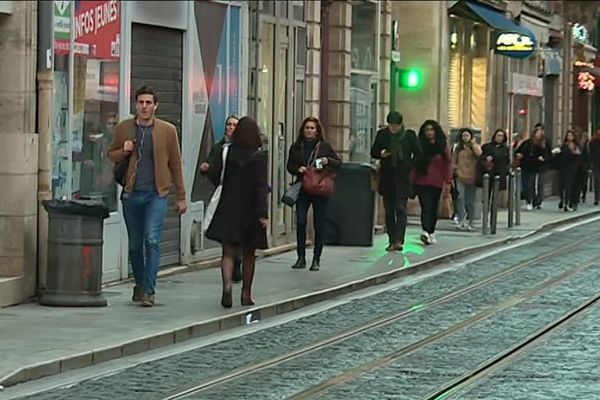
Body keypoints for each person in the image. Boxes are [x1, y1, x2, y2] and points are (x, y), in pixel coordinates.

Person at [107, 86, 187, 307]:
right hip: (131, 195)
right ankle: (140, 283)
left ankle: (149, 290)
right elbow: (110, 154)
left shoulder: (167, 130)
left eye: (148, 103)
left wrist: (181, 196)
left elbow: (176, 164)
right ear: (136, 105)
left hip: (156, 194)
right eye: (141, 103)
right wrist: (123, 151)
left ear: (155, 105)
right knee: (134, 245)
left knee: (152, 240)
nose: (144, 107)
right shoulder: (125, 128)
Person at [205, 117, 269, 308]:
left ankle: (226, 288)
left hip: (229, 206)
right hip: (250, 209)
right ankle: (246, 293)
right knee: (249, 253)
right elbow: (261, 186)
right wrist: (262, 213)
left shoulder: (227, 151)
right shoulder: (259, 156)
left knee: (228, 251)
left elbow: (217, 176)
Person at [287, 116, 341, 271]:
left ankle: (316, 258)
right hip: (303, 187)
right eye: (307, 128)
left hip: (320, 189)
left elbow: (338, 164)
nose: (309, 131)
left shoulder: (324, 146)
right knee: (301, 222)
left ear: (317, 131)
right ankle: (301, 257)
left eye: (312, 128)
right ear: (302, 130)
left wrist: (327, 161)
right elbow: (290, 165)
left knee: (319, 224)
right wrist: (298, 169)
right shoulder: (297, 147)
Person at [200, 115, 243, 283]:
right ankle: (230, 262)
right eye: (229, 125)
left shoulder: (244, 149)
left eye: (234, 125)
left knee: (238, 233)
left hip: (240, 197)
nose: (231, 128)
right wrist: (207, 168)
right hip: (224, 195)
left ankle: (236, 261)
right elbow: (215, 171)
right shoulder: (219, 147)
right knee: (227, 234)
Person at [371, 111, 422, 252]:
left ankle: (399, 239)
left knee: (400, 208)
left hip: (403, 177)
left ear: (401, 125)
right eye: (391, 126)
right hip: (387, 176)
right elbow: (373, 151)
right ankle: (391, 239)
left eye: (395, 126)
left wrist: (409, 165)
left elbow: (418, 154)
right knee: (389, 210)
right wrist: (381, 153)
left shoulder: (409, 136)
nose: (393, 129)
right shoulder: (382, 134)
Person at [412, 121, 452, 245]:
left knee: (433, 207)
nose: (429, 132)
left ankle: (431, 231)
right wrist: (411, 181)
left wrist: (448, 182)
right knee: (426, 206)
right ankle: (425, 231)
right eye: (427, 130)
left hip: (437, 182)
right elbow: (415, 164)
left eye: (431, 130)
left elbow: (448, 164)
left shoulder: (442, 146)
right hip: (422, 181)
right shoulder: (420, 145)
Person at [452, 128, 482, 231]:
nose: (465, 138)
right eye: (463, 135)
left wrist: (473, 144)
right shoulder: (458, 148)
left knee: (470, 201)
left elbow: (479, 154)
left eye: (467, 135)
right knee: (460, 198)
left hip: (472, 177)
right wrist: (455, 170)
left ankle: (471, 221)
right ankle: (461, 220)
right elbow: (453, 161)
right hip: (460, 176)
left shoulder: (475, 147)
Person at [516, 127, 551, 210]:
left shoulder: (545, 143)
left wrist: (544, 159)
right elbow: (519, 151)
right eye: (537, 133)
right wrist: (519, 155)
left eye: (540, 133)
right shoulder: (528, 143)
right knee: (529, 185)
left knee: (538, 185)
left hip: (540, 167)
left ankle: (537, 201)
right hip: (529, 166)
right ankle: (529, 201)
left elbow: (549, 154)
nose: (538, 135)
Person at [481, 129, 510, 216]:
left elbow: (506, 161)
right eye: (498, 135)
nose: (499, 138)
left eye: (501, 136)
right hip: (489, 172)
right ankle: (486, 210)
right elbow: (481, 157)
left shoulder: (505, 149)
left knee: (496, 194)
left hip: (499, 173)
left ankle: (493, 212)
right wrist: (486, 158)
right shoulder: (487, 146)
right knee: (487, 193)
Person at [557, 130, 582, 211]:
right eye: (568, 135)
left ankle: (568, 202)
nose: (569, 137)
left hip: (573, 169)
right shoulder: (564, 146)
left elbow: (579, 156)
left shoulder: (576, 146)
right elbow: (561, 156)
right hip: (563, 168)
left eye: (571, 135)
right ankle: (562, 200)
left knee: (569, 186)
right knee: (561, 186)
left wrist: (573, 151)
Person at [589, 128, 600, 206]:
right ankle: (597, 198)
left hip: (596, 163)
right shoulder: (593, 141)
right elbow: (590, 153)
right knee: (597, 180)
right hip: (595, 163)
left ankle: (597, 198)